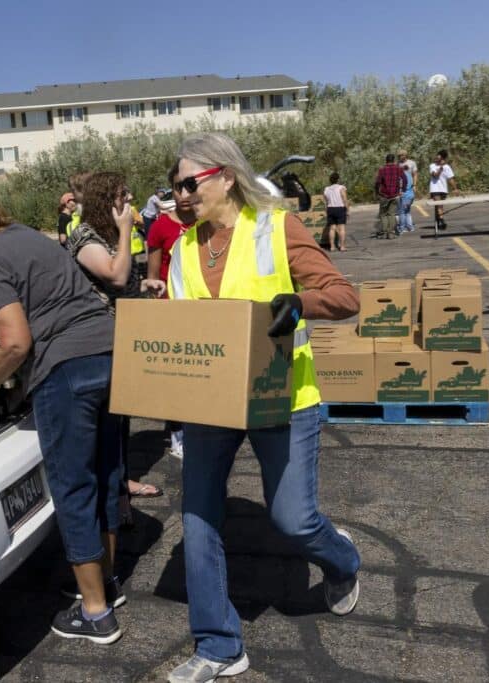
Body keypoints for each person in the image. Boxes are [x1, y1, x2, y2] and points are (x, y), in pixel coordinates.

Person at [164, 133, 362, 682]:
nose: (179, 194)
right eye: (175, 186)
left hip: (285, 398)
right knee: (199, 518)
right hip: (211, 401)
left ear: (225, 176)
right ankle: (219, 646)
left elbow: (345, 297)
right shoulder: (181, 248)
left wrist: (300, 302)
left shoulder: (277, 227)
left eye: (188, 183)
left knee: (293, 521)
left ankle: (343, 560)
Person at [0, 181, 124, 644]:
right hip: (111, 355)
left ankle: (95, 613)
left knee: (73, 484)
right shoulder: (32, 237)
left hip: (67, 371)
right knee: (107, 474)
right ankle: (105, 584)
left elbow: (15, 342)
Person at [68, 172, 167, 508]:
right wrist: (126, 230)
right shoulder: (84, 236)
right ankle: (113, 493)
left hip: (122, 337)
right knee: (107, 420)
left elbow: (118, 284)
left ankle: (121, 483)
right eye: (122, 195)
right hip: (97, 343)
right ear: (104, 200)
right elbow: (115, 273)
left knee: (121, 415)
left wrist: (143, 287)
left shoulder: (108, 234)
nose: (129, 200)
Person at [146, 162, 198, 460]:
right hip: (172, 313)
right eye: (178, 187)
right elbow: (154, 276)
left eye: (190, 185)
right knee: (179, 379)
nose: (185, 194)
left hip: (203, 312)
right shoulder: (162, 226)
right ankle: (178, 433)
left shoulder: (210, 223)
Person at [373, 153, 407, 239]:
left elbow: (377, 182)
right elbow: (405, 179)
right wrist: (402, 190)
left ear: (386, 160)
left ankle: (384, 233)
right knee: (392, 214)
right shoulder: (399, 169)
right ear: (394, 160)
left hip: (384, 195)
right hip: (395, 195)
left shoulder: (382, 170)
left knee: (383, 214)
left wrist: (377, 192)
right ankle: (390, 233)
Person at [429, 150, 458, 230]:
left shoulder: (447, 167)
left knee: (440, 206)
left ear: (442, 158)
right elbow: (435, 175)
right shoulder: (432, 166)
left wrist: (455, 189)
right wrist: (441, 168)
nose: (436, 157)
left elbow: (451, 179)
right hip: (435, 189)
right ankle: (441, 220)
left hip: (443, 189)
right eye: (437, 155)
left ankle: (439, 219)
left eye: (439, 156)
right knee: (439, 205)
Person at [322, 172, 349, 251]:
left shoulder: (326, 189)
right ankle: (342, 246)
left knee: (332, 228)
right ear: (338, 179)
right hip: (340, 208)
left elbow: (326, 201)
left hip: (330, 208)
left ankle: (332, 247)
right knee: (342, 228)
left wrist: (326, 210)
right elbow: (344, 199)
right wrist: (347, 209)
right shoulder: (341, 187)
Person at [397, 161, 416, 234]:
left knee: (401, 212)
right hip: (411, 195)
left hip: (405, 195)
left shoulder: (402, 175)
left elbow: (401, 185)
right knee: (407, 212)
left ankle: (402, 228)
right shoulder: (409, 174)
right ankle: (410, 227)